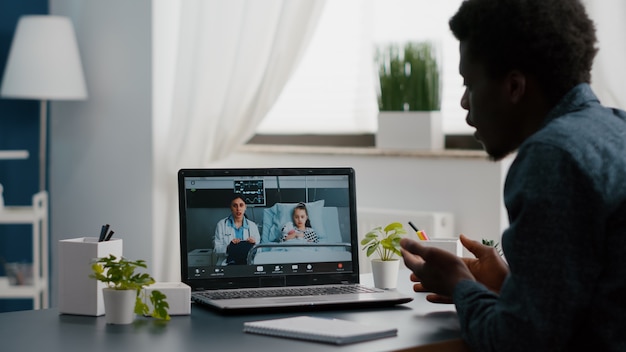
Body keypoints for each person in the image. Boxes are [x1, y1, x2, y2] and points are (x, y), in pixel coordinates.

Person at [400, 0, 626, 351]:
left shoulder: (552, 156)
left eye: (469, 83)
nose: (463, 102)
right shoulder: (617, 129)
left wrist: (460, 283)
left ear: (514, 87)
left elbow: (516, 342)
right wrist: (507, 286)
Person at [214, 195, 260, 265]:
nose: (238, 209)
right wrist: (229, 247)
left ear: (245, 207)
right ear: (231, 208)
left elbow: (259, 250)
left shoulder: (253, 226)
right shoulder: (221, 224)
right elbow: (216, 249)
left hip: (247, 263)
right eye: (235, 206)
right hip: (227, 264)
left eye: (241, 205)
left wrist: (254, 245)